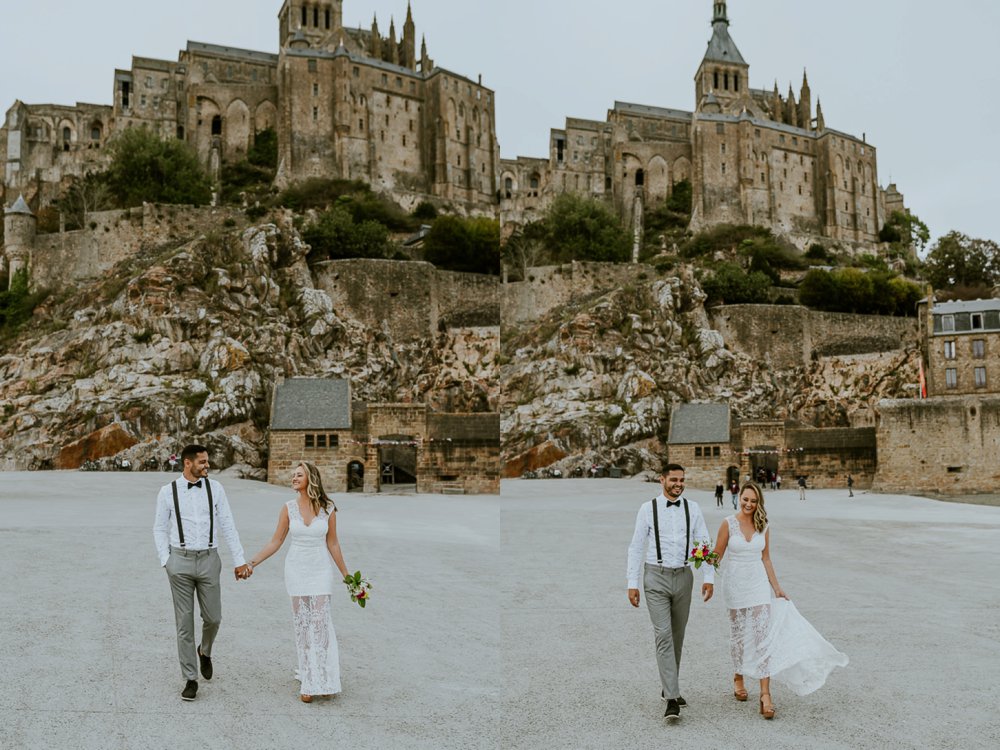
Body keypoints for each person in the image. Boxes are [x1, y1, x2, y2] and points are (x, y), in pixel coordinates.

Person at [712, 482, 848, 719]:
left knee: (763, 638)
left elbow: (766, 559)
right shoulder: (728, 523)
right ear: (739, 498)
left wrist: (776, 588)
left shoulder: (763, 526)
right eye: (745, 499)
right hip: (734, 586)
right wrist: (700, 556)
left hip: (758, 586)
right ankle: (738, 676)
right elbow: (717, 555)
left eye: (753, 501)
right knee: (738, 636)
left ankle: (766, 694)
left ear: (759, 503)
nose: (748, 504)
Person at [153, 444, 252, 701]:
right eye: (203, 462)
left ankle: (204, 651)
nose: (207, 465)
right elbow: (159, 528)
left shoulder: (216, 489)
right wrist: (167, 561)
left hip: (209, 559)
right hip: (180, 562)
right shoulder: (167, 492)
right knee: (184, 623)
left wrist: (239, 560)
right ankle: (190, 678)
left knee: (214, 617)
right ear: (188, 463)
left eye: (207, 461)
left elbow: (228, 526)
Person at [247, 462, 352, 703]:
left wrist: (347, 576)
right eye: (293, 475)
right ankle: (308, 679)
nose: (293, 478)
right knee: (303, 625)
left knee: (321, 622)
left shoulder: (328, 508)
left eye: (299, 475)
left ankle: (325, 678)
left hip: (320, 569)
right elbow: (276, 542)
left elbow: (333, 543)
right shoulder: (288, 508)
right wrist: (252, 562)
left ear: (311, 478)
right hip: (296, 569)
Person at [627, 464, 715, 721]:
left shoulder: (693, 508)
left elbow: (704, 543)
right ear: (662, 480)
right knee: (663, 634)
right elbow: (636, 547)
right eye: (674, 479)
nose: (679, 483)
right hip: (655, 577)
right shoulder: (647, 509)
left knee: (677, 636)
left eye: (682, 480)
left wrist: (708, 578)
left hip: (684, 577)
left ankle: (668, 684)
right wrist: (632, 582)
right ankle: (672, 699)